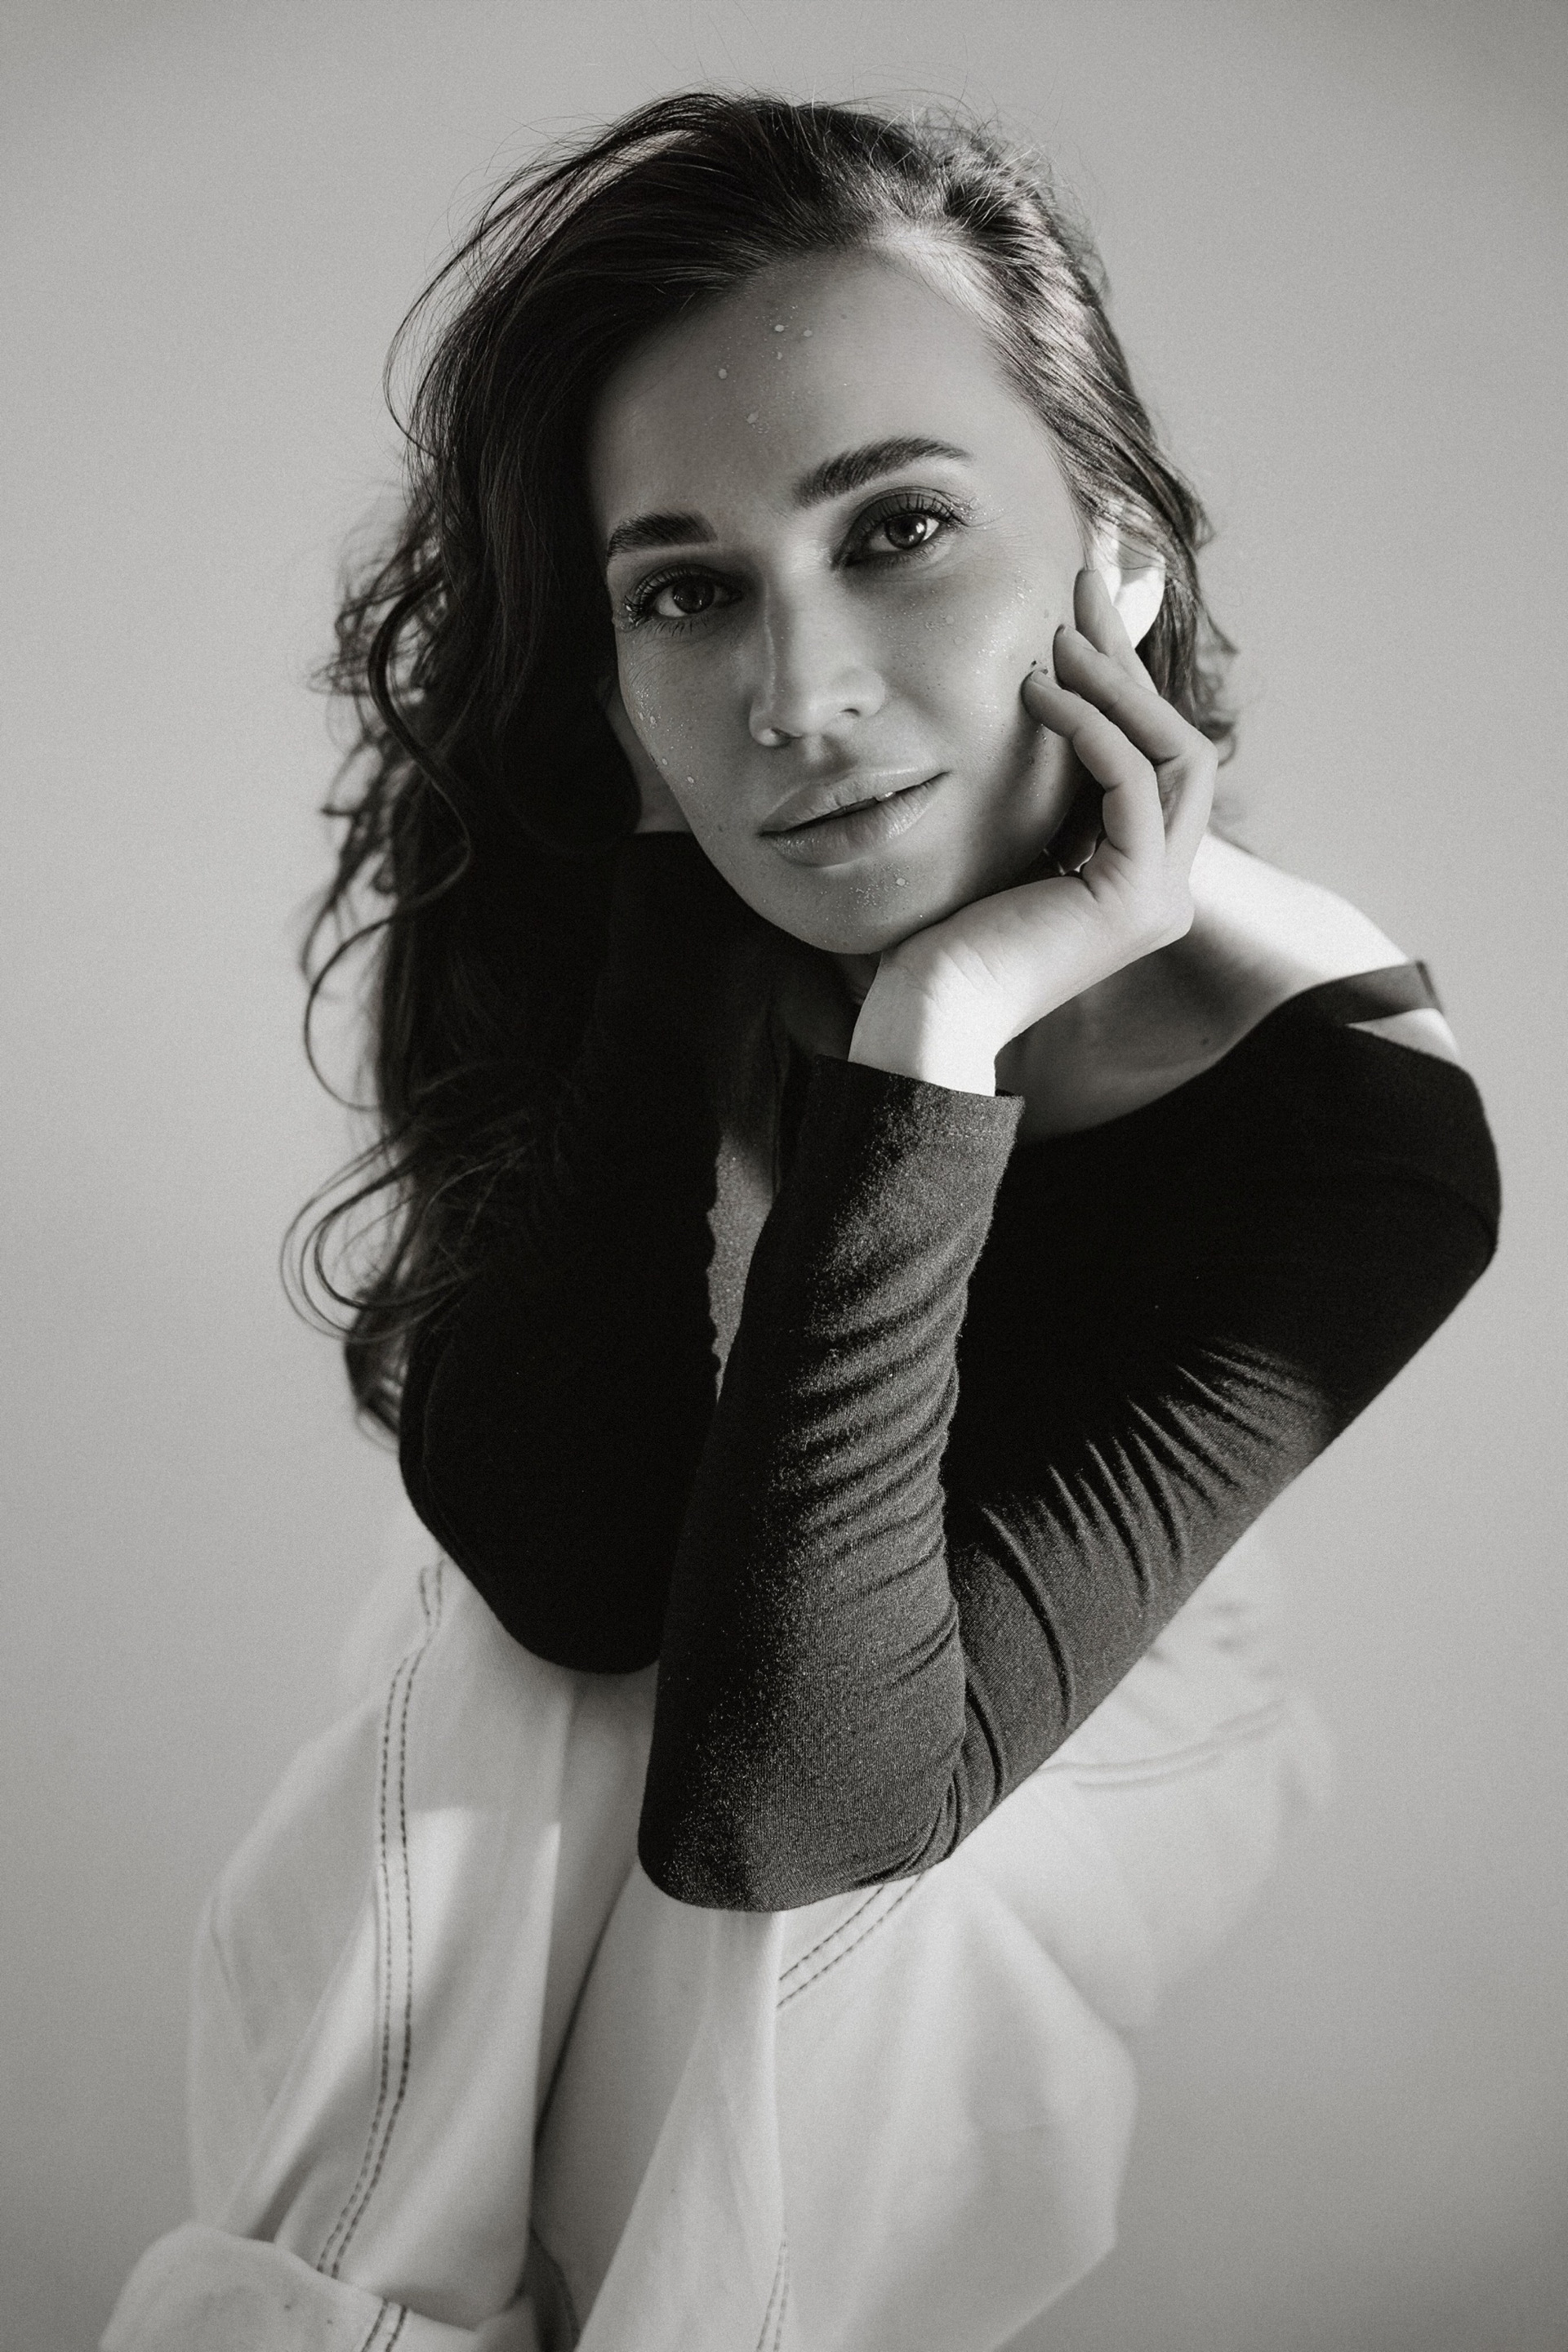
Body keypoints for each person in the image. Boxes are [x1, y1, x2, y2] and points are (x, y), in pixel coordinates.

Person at [104, 92, 1499, 2352]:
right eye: (688, 589)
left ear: (1120, 552)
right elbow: (568, 1566)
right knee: (513, 1712)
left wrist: (936, 1036)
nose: (800, 699)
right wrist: (678, 916)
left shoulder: (1360, 1129)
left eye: (902, 527)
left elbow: (800, 1804)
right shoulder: (618, 847)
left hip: (1063, 1684)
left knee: (796, 1953)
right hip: (654, 1625)